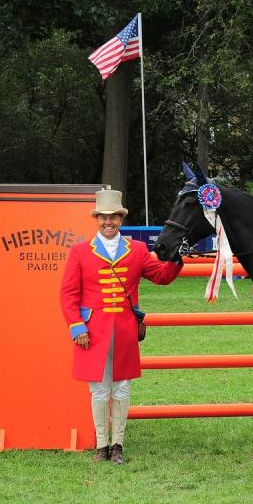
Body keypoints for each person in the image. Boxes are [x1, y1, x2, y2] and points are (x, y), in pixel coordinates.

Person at [59, 189, 182, 465]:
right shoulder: (80, 251)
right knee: (99, 390)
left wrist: (175, 258)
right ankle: (101, 446)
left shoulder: (137, 250)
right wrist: (77, 327)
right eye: (103, 217)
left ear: (121, 218)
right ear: (97, 219)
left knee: (122, 388)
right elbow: (68, 295)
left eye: (113, 216)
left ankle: (118, 446)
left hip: (124, 329)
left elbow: (161, 276)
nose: (108, 222)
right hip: (92, 332)